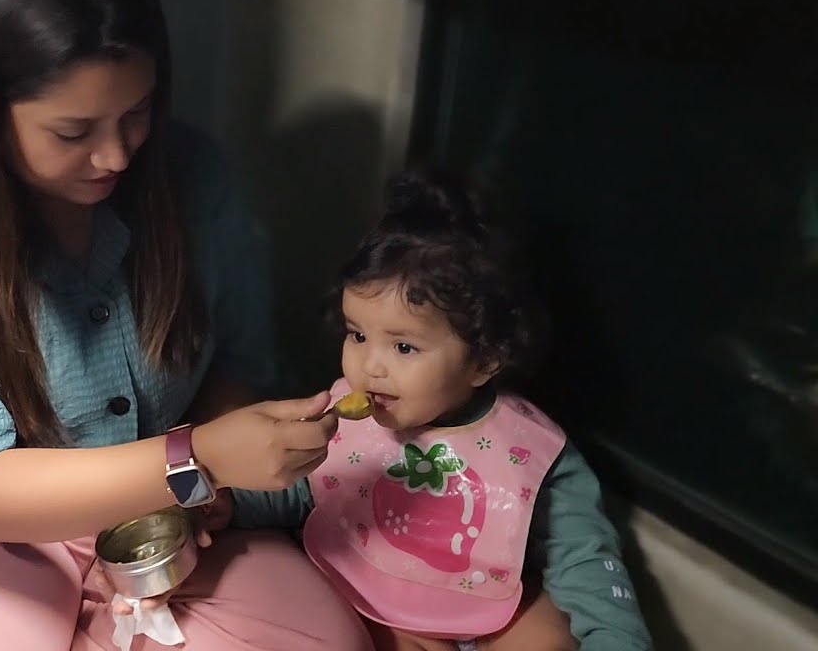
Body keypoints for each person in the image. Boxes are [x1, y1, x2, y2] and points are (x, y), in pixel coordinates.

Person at [0, 0, 373, 648]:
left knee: (323, 641)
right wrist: (197, 458)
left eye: (137, 113)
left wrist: (211, 481)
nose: (116, 155)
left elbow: (235, 364)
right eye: (72, 131)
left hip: (161, 498)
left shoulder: (192, 175)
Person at [226, 172, 653, 650]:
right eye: (357, 335)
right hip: (367, 596)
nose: (369, 366)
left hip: (486, 610)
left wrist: (616, 639)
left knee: (547, 633)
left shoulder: (531, 451)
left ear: (485, 359)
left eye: (404, 347)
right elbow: (291, 492)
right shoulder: (343, 419)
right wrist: (221, 502)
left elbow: (585, 563)